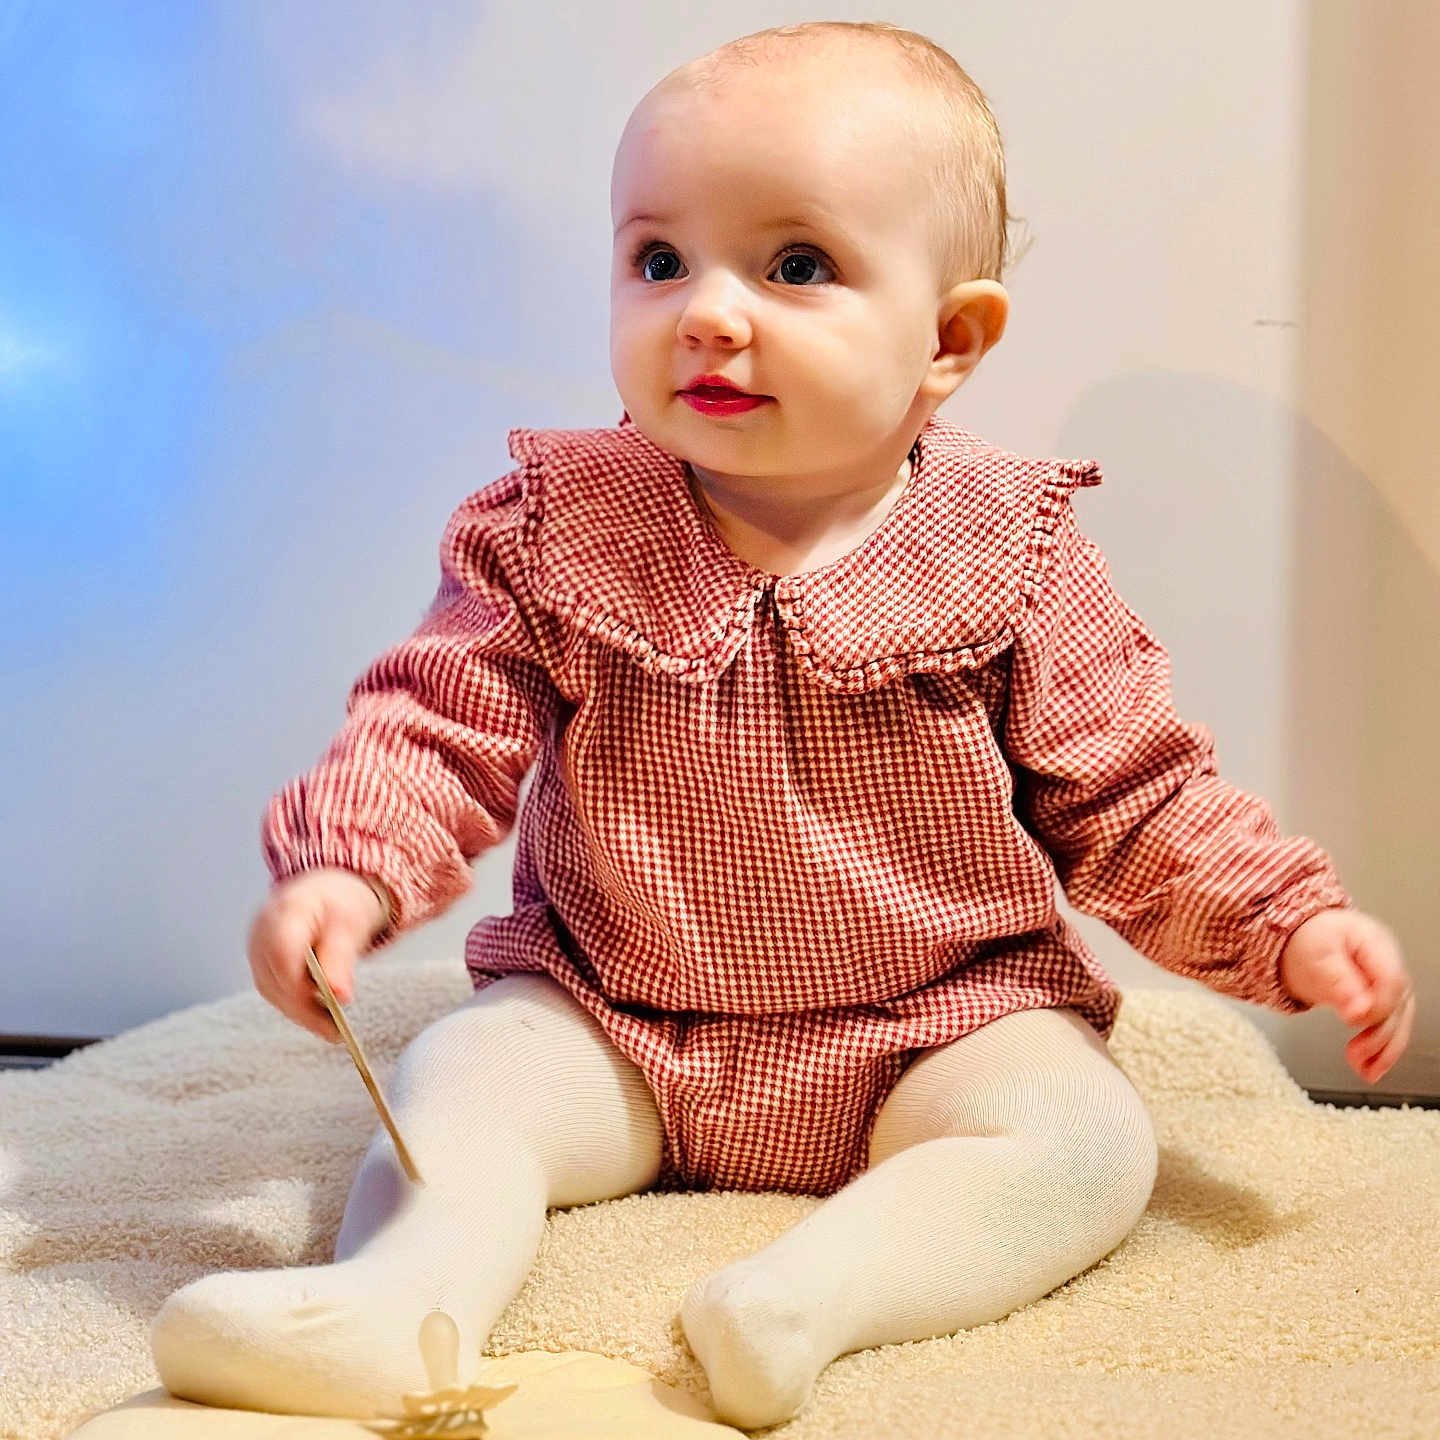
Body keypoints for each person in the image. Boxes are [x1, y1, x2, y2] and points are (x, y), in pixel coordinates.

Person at [150, 21, 1415, 1431]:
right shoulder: (558, 528)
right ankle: (395, 1304)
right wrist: (350, 866)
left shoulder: (1009, 548)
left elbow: (1133, 795)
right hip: (612, 1019)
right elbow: (437, 721)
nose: (708, 311)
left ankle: (806, 1299)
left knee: (1080, 1141)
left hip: (934, 1024)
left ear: (949, 339)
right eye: (658, 260)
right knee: (465, 1083)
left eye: (795, 266)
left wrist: (1284, 923)